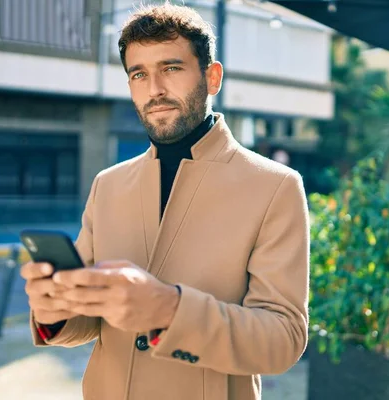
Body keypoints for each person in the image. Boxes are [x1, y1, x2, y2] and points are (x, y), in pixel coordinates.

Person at [20, 3, 309, 399]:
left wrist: (169, 310)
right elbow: (89, 320)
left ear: (212, 77)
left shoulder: (275, 185)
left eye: (171, 68)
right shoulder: (108, 184)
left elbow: (283, 340)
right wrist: (55, 311)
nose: (154, 89)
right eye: (139, 74)